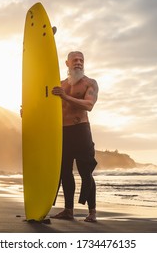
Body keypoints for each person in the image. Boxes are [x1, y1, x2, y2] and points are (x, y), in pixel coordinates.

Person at [51, 51, 99, 222]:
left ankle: (92, 211)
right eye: (75, 60)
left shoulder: (90, 83)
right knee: (64, 172)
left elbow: (89, 105)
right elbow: (45, 106)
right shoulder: (59, 84)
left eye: (81, 60)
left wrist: (65, 96)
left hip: (81, 130)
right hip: (63, 132)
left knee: (86, 172)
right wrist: (26, 113)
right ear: (67, 63)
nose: (78, 63)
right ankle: (68, 210)